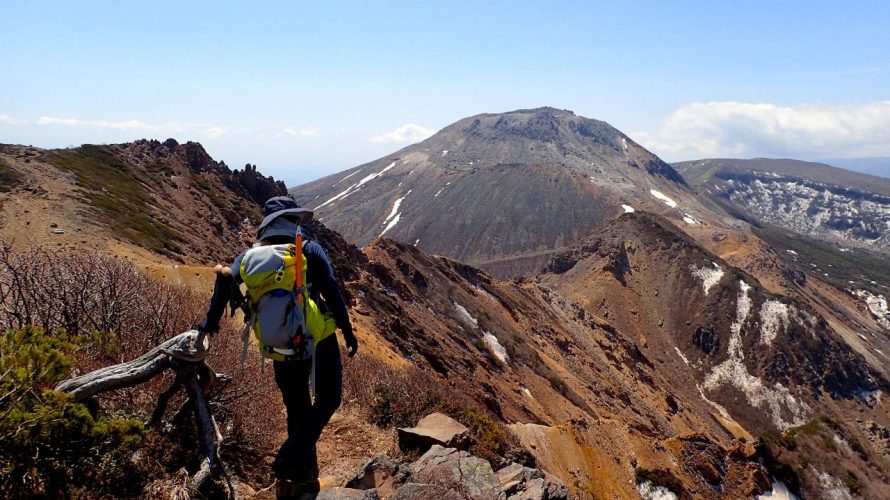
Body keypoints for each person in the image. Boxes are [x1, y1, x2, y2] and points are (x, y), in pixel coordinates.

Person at [198, 195, 358, 498]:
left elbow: (224, 283)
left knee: (297, 407)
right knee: (329, 399)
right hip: (318, 338)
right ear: (291, 220)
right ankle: (288, 460)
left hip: (278, 343)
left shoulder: (248, 256)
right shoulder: (308, 249)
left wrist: (210, 324)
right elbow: (332, 292)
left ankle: (297, 482)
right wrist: (347, 331)